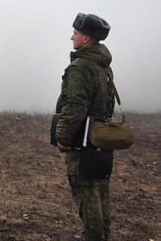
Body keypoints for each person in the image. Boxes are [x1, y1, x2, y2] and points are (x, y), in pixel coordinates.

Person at [55, 13, 114, 241]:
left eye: (76, 33)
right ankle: (102, 236)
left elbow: (75, 106)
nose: (72, 37)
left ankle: (93, 238)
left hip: (83, 141)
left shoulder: (81, 67)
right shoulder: (102, 65)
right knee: (100, 191)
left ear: (87, 38)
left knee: (86, 192)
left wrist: (63, 137)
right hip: (101, 139)